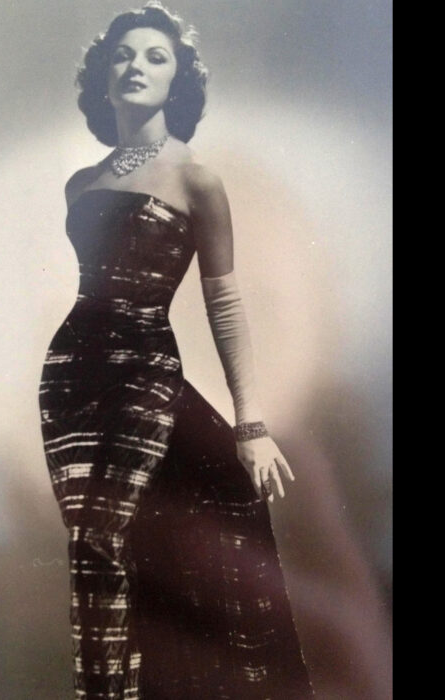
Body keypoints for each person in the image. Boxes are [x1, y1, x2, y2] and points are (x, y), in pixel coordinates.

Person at [39, 2, 315, 697]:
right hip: (70, 381)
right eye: (123, 57)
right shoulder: (81, 185)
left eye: (154, 57)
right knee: (96, 548)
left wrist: (249, 426)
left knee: (123, 539)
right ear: (105, 81)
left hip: (145, 373)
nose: (136, 66)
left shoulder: (196, 180)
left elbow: (223, 303)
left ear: (176, 82)